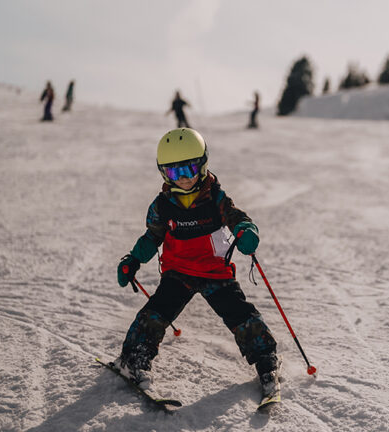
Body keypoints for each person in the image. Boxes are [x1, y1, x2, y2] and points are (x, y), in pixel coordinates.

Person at [114, 128, 280, 400]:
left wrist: (246, 231)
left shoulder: (215, 198)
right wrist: (132, 260)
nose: (185, 178)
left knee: (240, 314)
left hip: (214, 271)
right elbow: (152, 236)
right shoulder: (161, 206)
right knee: (155, 314)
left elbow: (237, 217)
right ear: (164, 173)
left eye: (190, 169)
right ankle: (134, 359)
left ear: (203, 164)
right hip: (178, 272)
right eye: (174, 172)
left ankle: (266, 361)